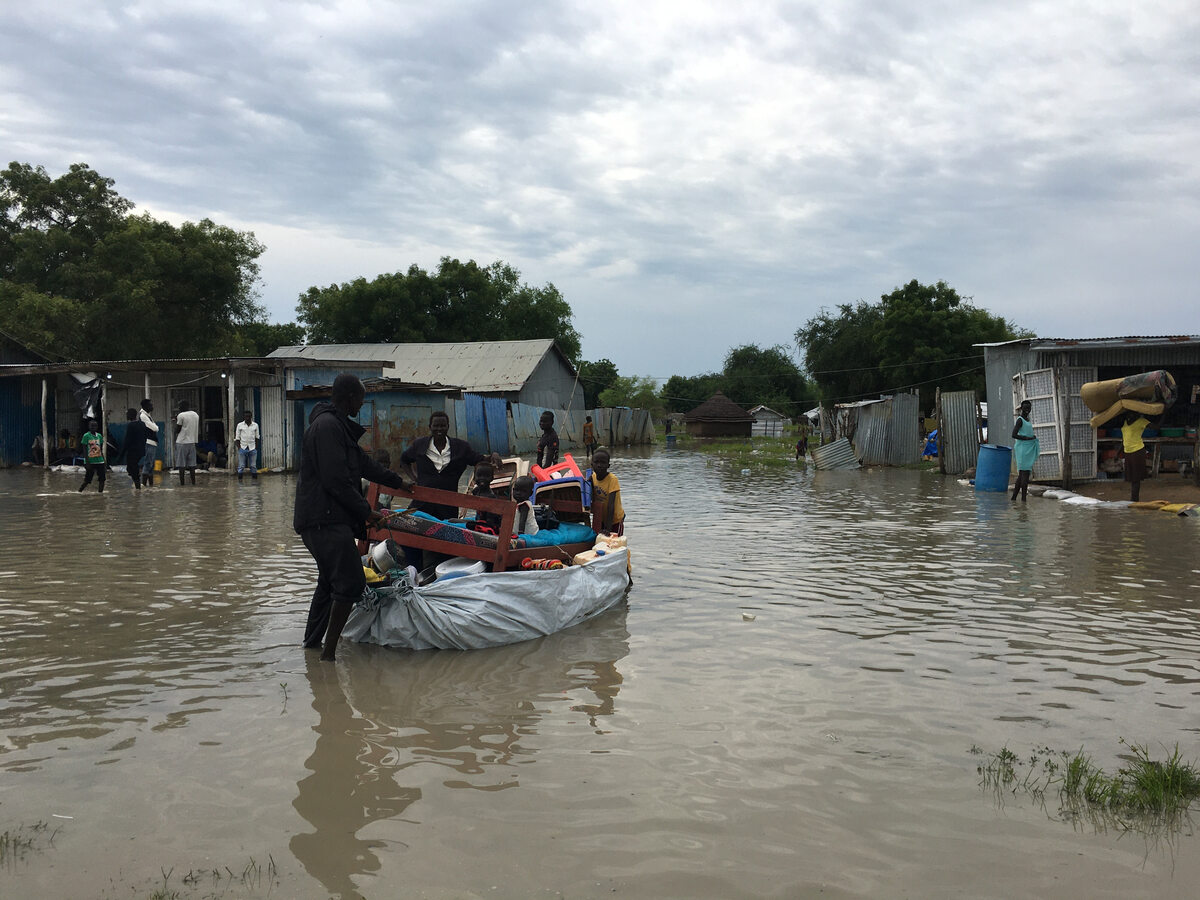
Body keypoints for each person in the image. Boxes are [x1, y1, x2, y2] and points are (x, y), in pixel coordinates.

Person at [294, 374, 410, 661]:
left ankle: (312, 646)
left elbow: (364, 464)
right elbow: (335, 480)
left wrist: (399, 483)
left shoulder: (338, 427)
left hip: (328, 518)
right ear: (349, 398)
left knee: (329, 581)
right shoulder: (327, 427)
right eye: (361, 398)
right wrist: (366, 511)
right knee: (350, 583)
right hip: (324, 519)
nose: (362, 403)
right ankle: (328, 657)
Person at [398, 411, 499, 521]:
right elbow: (404, 460)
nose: (439, 429)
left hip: (448, 506)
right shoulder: (420, 445)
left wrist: (494, 455)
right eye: (436, 426)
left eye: (442, 426)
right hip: (422, 503)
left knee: (445, 532)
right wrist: (415, 478)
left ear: (448, 427)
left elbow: (479, 459)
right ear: (430, 427)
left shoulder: (461, 447)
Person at [589, 448, 625, 535]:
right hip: (601, 517)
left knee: (615, 542)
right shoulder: (592, 477)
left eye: (603, 463)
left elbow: (611, 506)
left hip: (615, 520)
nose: (599, 465)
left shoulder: (612, 480)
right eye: (596, 462)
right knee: (600, 541)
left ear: (608, 466)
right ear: (592, 465)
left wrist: (608, 529)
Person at [1011, 399, 1040, 502]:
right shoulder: (1020, 420)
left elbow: (1026, 433)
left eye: (1029, 407)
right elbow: (1014, 434)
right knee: (1025, 474)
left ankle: (1014, 498)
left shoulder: (1027, 420)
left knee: (1022, 475)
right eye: (1025, 407)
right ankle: (1023, 500)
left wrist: (1032, 437)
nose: (1027, 409)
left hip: (1027, 449)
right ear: (1021, 408)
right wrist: (1027, 438)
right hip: (1022, 449)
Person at [1121, 411, 1151, 502]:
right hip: (1128, 452)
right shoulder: (1126, 421)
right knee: (1131, 478)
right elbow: (1124, 438)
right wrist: (1119, 452)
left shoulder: (1142, 421)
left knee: (1136, 478)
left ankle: (1134, 500)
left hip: (1137, 451)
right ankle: (1134, 499)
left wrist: (1164, 414)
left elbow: (1156, 427)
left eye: (1132, 413)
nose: (1130, 414)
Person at [174, 400, 200, 485]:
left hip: (182, 442)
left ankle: (182, 484)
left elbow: (177, 430)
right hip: (192, 442)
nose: (178, 408)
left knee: (181, 465)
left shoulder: (181, 415)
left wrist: (176, 421)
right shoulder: (195, 415)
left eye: (179, 406)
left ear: (183, 406)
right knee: (192, 465)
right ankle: (193, 483)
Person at [121, 408, 149, 489]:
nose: (126, 415)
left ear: (130, 415)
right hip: (141, 450)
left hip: (133, 451)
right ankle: (137, 484)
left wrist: (121, 454)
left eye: (127, 414)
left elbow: (127, 440)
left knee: (131, 468)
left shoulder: (131, 425)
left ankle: (138, 487)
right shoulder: (142, 424)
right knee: (132, 467)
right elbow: (145, 436)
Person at [471, 461, 502, 531]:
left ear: (492, 478)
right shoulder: (476, 491)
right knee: (452, 520)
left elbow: (491, 520)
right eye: (479, 475)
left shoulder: (491, 497)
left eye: (486, 476)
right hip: (479, 520)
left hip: (488, 524)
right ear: (474, 477)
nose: (482, 478)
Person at [78, 419, 106, 492]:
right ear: (89, 426)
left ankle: (100, 494)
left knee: (102, 479)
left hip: (100, 461)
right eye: (91, 426)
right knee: (87, 480)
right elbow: (84, 449)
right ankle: (79, 491)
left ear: (97, 427)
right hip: (90, 461)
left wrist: (104, 460)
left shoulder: (99, 436)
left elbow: (100, 449)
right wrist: (87, 462)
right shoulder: (86, 436)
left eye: (95, 426)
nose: (93, 427)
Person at [235, 410, 260, 482]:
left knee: (253, 466)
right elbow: (237, 438)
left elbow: (257, 437)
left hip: (252, 448)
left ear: (251, 417)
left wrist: (255, 447)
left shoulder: (255, 425)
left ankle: (254, 483)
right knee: (241, 466)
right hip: (243, 447)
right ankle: (240, 482)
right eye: (246, 416)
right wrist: (239, 448)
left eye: (249, 416)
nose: (247, 418)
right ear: (244, 417)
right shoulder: (240, 425)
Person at [138, 400, 159, 486]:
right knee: (148, 464)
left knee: (150, 466)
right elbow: (155, 428)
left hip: (152, 442)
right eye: (151, 405)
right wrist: (156, 427)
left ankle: (150, 487)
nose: (152, 406)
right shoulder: (143, 416)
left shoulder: (147, 415)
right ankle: (143, 486)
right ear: (145, 406)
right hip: (148, 442)